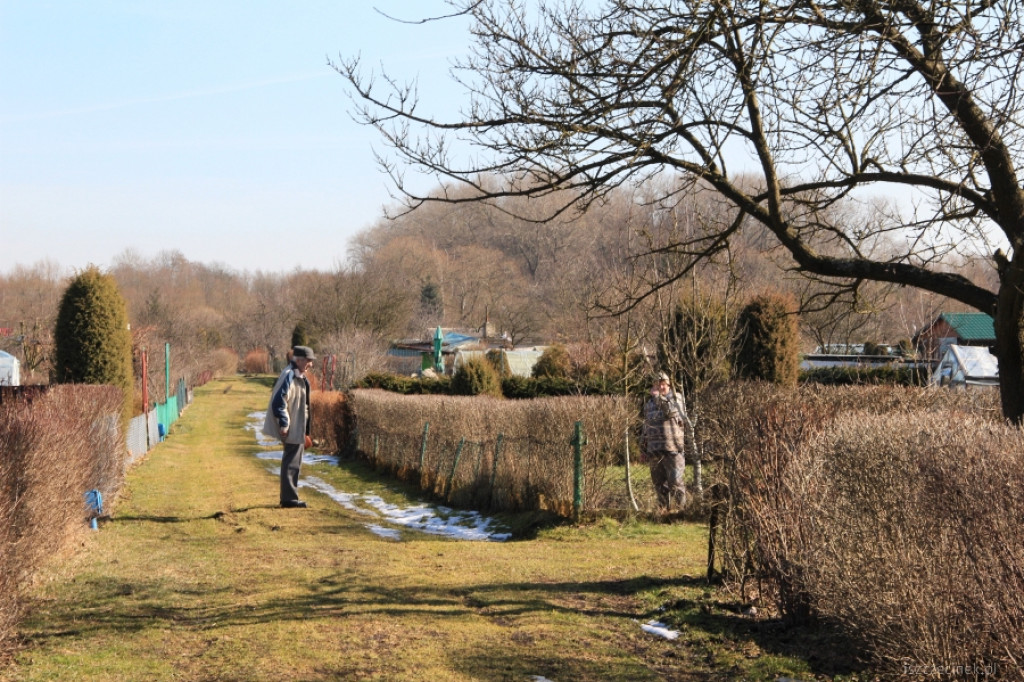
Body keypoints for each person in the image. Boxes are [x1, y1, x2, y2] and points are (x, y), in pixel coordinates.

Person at [262, 345, 315, 508]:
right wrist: (284, 425)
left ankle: (289, 498)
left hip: (297, 427)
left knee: (293, 461)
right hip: (292, 428)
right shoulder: (290, 375)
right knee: (291, 462)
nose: (311, 364)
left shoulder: (296, 375)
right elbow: (279, 403)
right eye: (308, 360)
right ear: (299, 360)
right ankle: (289, 500)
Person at [643, 371, 693, 510]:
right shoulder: (649, 404)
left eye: (663, 384)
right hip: (654, 450)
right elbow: (645, 426)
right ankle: (663, 513)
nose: (660, 387)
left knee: (675, 482)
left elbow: (669, 412)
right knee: (659, 484)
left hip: (673, 449)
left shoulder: (676, 399)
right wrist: (644, 448)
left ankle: (681, 512)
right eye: (657, 385)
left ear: (668, 385)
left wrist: (658, 397)